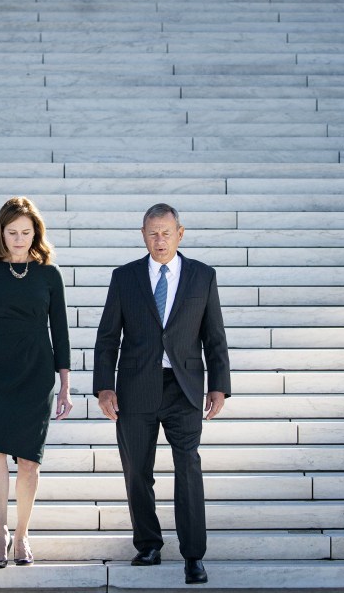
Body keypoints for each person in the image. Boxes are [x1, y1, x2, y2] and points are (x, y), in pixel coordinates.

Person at [93, 203, 230, 585]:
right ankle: (148, 544)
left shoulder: (202, 276)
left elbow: (214, 336)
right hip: (135, 389)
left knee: (188, 469)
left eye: (166, 233)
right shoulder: (125, 277)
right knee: (137, 470)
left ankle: (193, 556)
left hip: (184, 388)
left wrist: (219, 385)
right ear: (143, 235)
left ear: (180, 234)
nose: (160, 240)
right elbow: (107, 337)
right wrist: (104, 387)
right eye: (152, 233)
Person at [0, 196, 73, 569]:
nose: (19, 239)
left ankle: (22, 534)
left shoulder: (49, 274)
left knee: (29, 461)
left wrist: (65, 385)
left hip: (37, 373)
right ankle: (0, 531)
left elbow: (61, 332)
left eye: (26, 232)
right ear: (0, 234)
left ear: (36, 233)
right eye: (12, 232)